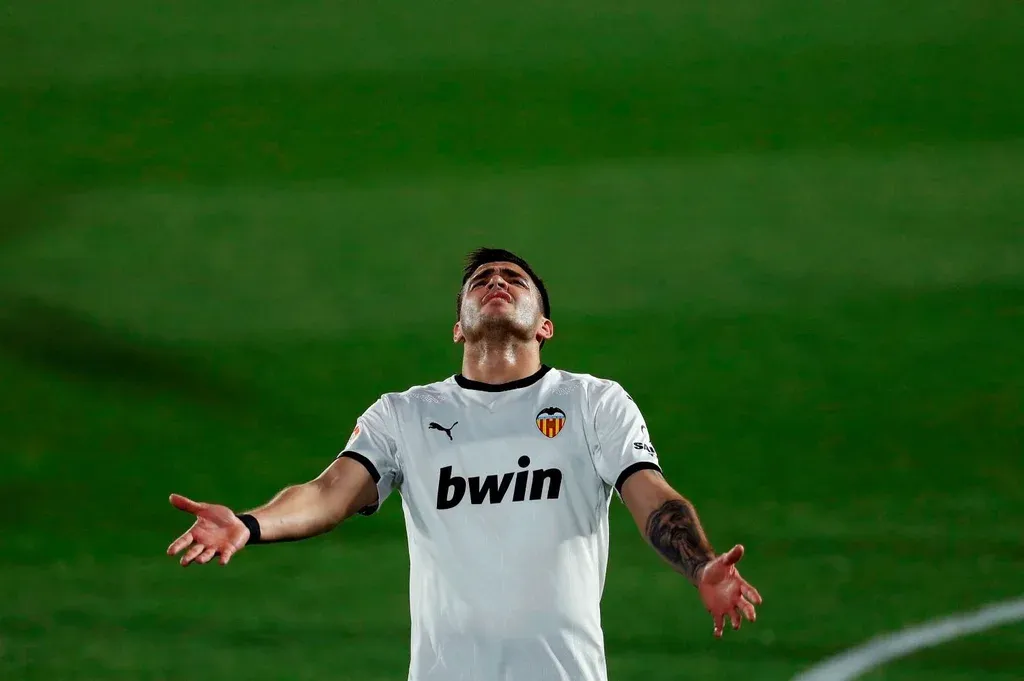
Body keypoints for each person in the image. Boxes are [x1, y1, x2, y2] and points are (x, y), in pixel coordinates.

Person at [167, 247, 763, 681]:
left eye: (514, 278)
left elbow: (650, 494)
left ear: (545, 326)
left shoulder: (592, 403)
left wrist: (700, 566)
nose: (496, 282)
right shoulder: (404, 415)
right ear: (458, 327)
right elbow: (329, 493)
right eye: (481, 280)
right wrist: (249, 524)